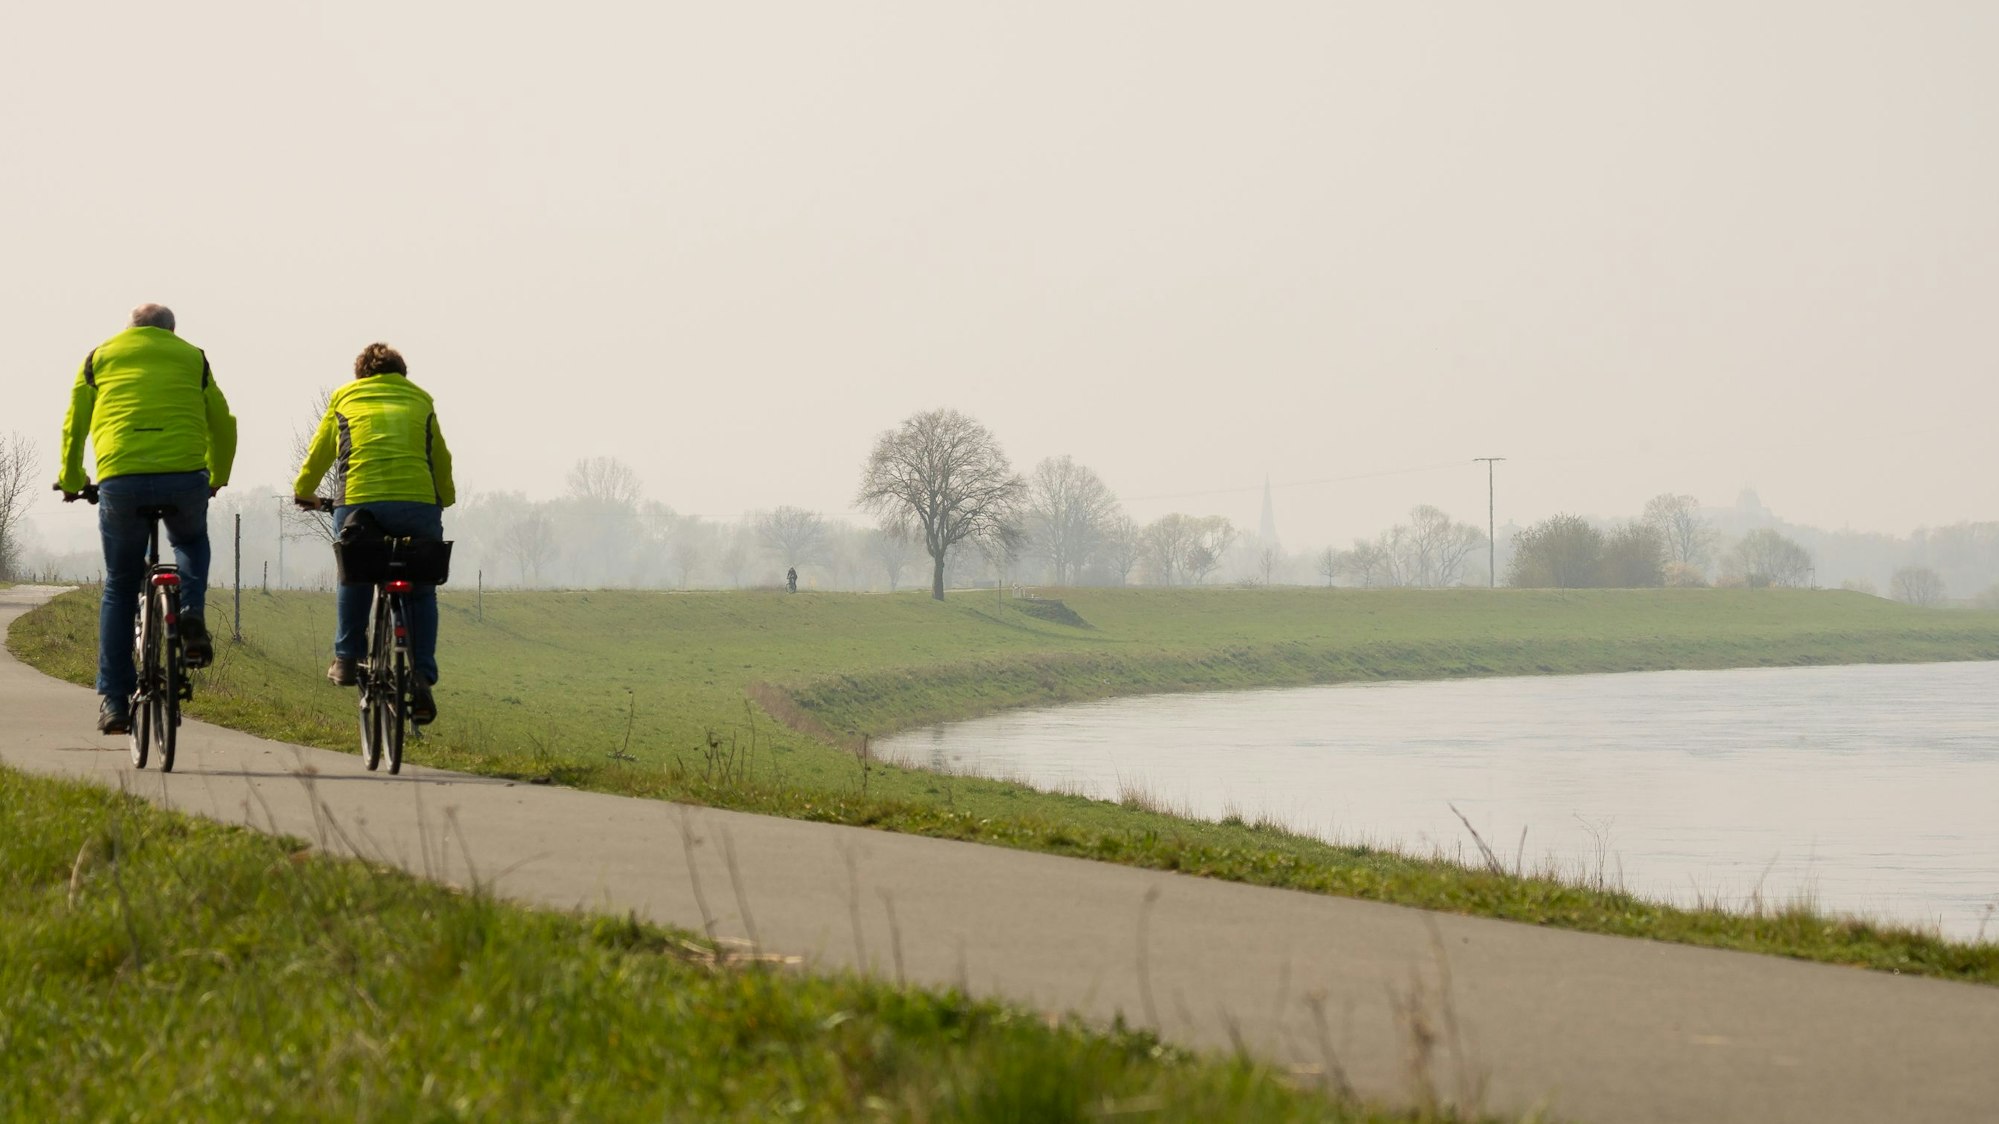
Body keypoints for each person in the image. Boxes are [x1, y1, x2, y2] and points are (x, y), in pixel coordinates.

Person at [56, 303, 237, 735]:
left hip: (122, 478)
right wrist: (217, 476)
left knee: (120, 583)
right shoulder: (193, 357)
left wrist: (70, 479)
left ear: (130, 328)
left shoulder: (98, 358)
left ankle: (114, 701)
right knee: (190, 543)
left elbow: (74, 426)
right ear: (171, 331)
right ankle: (190, 612)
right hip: (184, 477)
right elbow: (224, 424)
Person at [292, 343, 455, 723]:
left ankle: (347, 657)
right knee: (421, 589)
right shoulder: (421, 400)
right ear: (402, 374)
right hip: (418, 505)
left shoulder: (345, 398)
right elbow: (440, 458)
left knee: (355, 574)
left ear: (361, 375)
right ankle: (422, 674)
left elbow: (320, 452)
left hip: (360, 503)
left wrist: (304, 491)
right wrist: (443, 499)